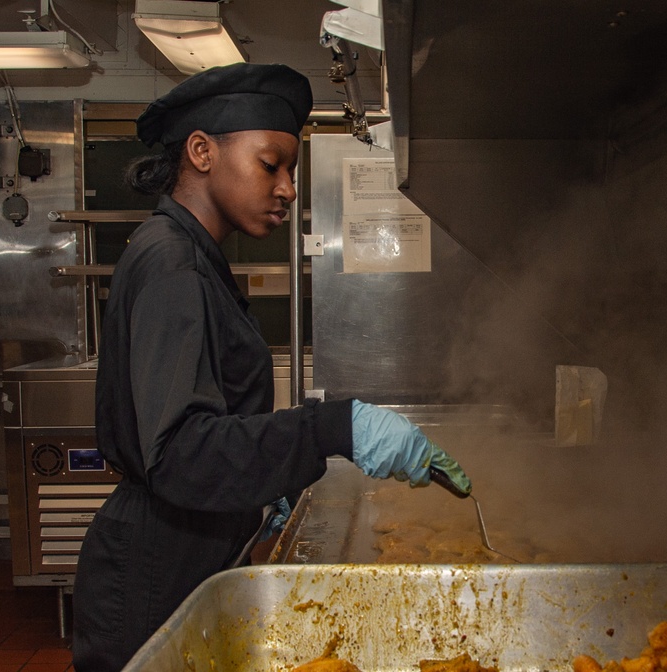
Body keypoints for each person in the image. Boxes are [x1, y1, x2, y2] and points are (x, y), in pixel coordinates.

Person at [71, 62, 471, 671]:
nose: (287, 187)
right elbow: (179, 452)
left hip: (184, 547)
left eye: (292, 170)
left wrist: (264, 484)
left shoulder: (192, 256)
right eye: (270, 165)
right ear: (201, 152)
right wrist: (333, 428)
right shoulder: (174, 266)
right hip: (154, 572)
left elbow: (209, 422)